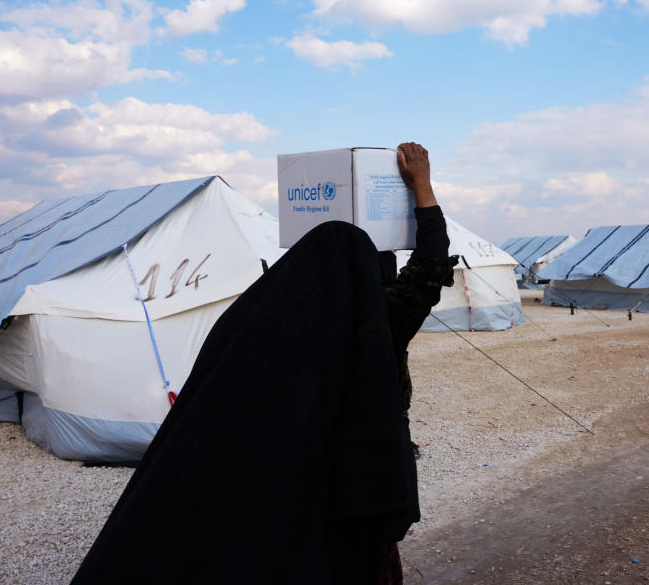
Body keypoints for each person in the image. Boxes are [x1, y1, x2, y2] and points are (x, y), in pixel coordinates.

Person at [72, 142, 456, 584]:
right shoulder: (382, 324)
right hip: (352, 485)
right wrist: (422, 188)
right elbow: (429, 269)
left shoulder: (268, 318)